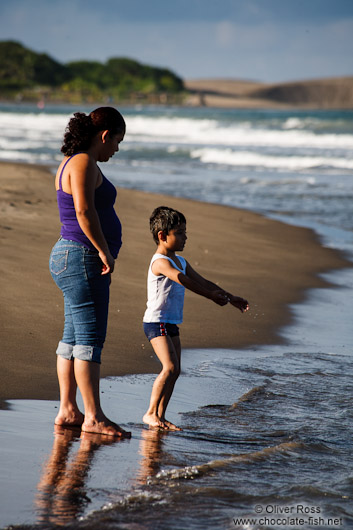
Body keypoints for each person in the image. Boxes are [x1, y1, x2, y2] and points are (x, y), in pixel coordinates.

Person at [49, 107, 130, 438]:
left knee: (72, 337)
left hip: (70, 256)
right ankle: (93, 417)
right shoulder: (83, 161)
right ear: (105, 135)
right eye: (118, 142)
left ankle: (68, 410)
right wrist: (102, 250)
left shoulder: (72, 161)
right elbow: (83, 210)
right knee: (89, 340)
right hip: (81, 257)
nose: (117, 150)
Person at [142, 206, 249, 431]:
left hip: (171, 322)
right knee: (169, 367)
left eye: (185, 232)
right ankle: (150, 413)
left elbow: (203, 281)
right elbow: (182, 280)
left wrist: (230, 297)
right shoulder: (160, 262)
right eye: (179, 233)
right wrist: (210, 297)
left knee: (176, 370)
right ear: (162, 236)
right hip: (156, 321)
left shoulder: (181, 260)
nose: (185, 237)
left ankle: (161, 417)